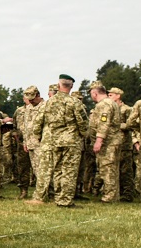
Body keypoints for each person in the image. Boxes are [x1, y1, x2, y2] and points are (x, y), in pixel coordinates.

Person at [30, 75, 87, 208]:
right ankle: (64, 200)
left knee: (57, 170)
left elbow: (37, 122)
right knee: (69, 171)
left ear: (58, 85)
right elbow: (83, 123)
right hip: (71, 141)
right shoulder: (74, 102)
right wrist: (82, 135)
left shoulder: (48, 103)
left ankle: (56, 196)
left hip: (53, 141)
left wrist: (38, 136)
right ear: (71, 86)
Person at [89, 82, 122, 203]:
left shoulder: (104, 105)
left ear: (95, 93)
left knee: (107, 169)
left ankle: (109, 197)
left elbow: (104, 123)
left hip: (108, 142)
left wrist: (99, 140)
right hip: (113, 141)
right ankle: (114, 195)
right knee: (112, 169)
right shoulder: (111, 103)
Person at [14, 86, 44, 200]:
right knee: (24, 167)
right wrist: (25, 142)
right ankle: (24, 191)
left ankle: (43, 194)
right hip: (29, 143)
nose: (30, 101)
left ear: (37, 95)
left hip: (41, 143)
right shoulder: (27, 109)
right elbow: (24, 127)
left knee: (41, 170)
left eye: (32, 98)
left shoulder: (45, 107)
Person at [110, 87, 136, 201]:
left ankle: (127, 194)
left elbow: (131, 124)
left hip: (125, 145)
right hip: (113, 144)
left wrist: (118, 126)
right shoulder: (110, 108)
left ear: (118, 96)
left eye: (111, 95)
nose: (109, 96)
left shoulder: (126, 109)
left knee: (126, 171)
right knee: (115, 170)